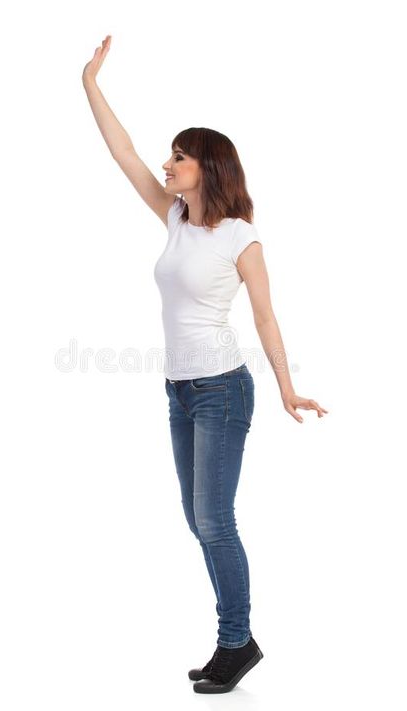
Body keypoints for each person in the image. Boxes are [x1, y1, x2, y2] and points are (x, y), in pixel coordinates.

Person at [82, 35, 329, 694]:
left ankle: (235, 640)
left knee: (215, 520)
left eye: (180, 157)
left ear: (207, 168)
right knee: (198, 519)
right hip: (180, 392)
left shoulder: (240, 235)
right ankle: (235, 637)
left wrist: (287, 387)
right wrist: (91, 84)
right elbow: (124, 152)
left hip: (223, 390)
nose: (167, 163)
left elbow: (266, 317)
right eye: (171, 155)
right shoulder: (175, 220)